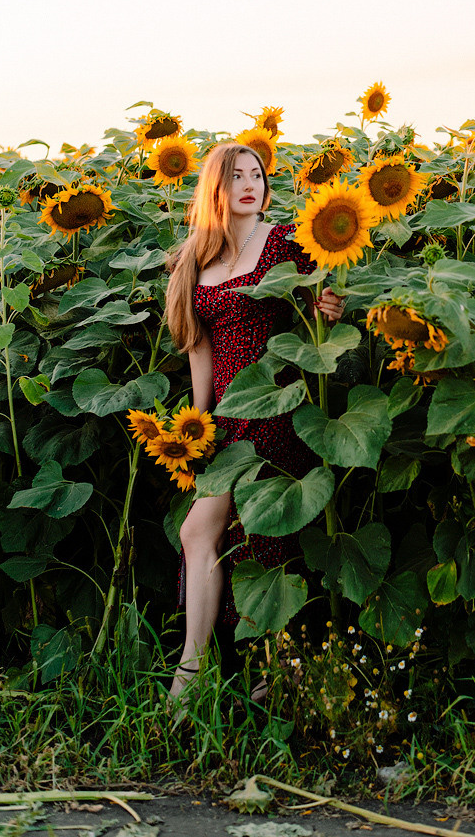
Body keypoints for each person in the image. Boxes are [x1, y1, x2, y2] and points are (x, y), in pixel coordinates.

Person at [164, 142, 344, 702]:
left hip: (277, 401)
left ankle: (193, 680)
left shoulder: (286, 240)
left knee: (210, 532)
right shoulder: (198, 254)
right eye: (236, 176)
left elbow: (320, 306)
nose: (251, 185)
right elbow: (201, 350)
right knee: (229, 538)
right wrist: (199, 429)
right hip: (228, 415)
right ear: (214, 188)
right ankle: (260, 675)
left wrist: (330, 309)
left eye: (258, 175)